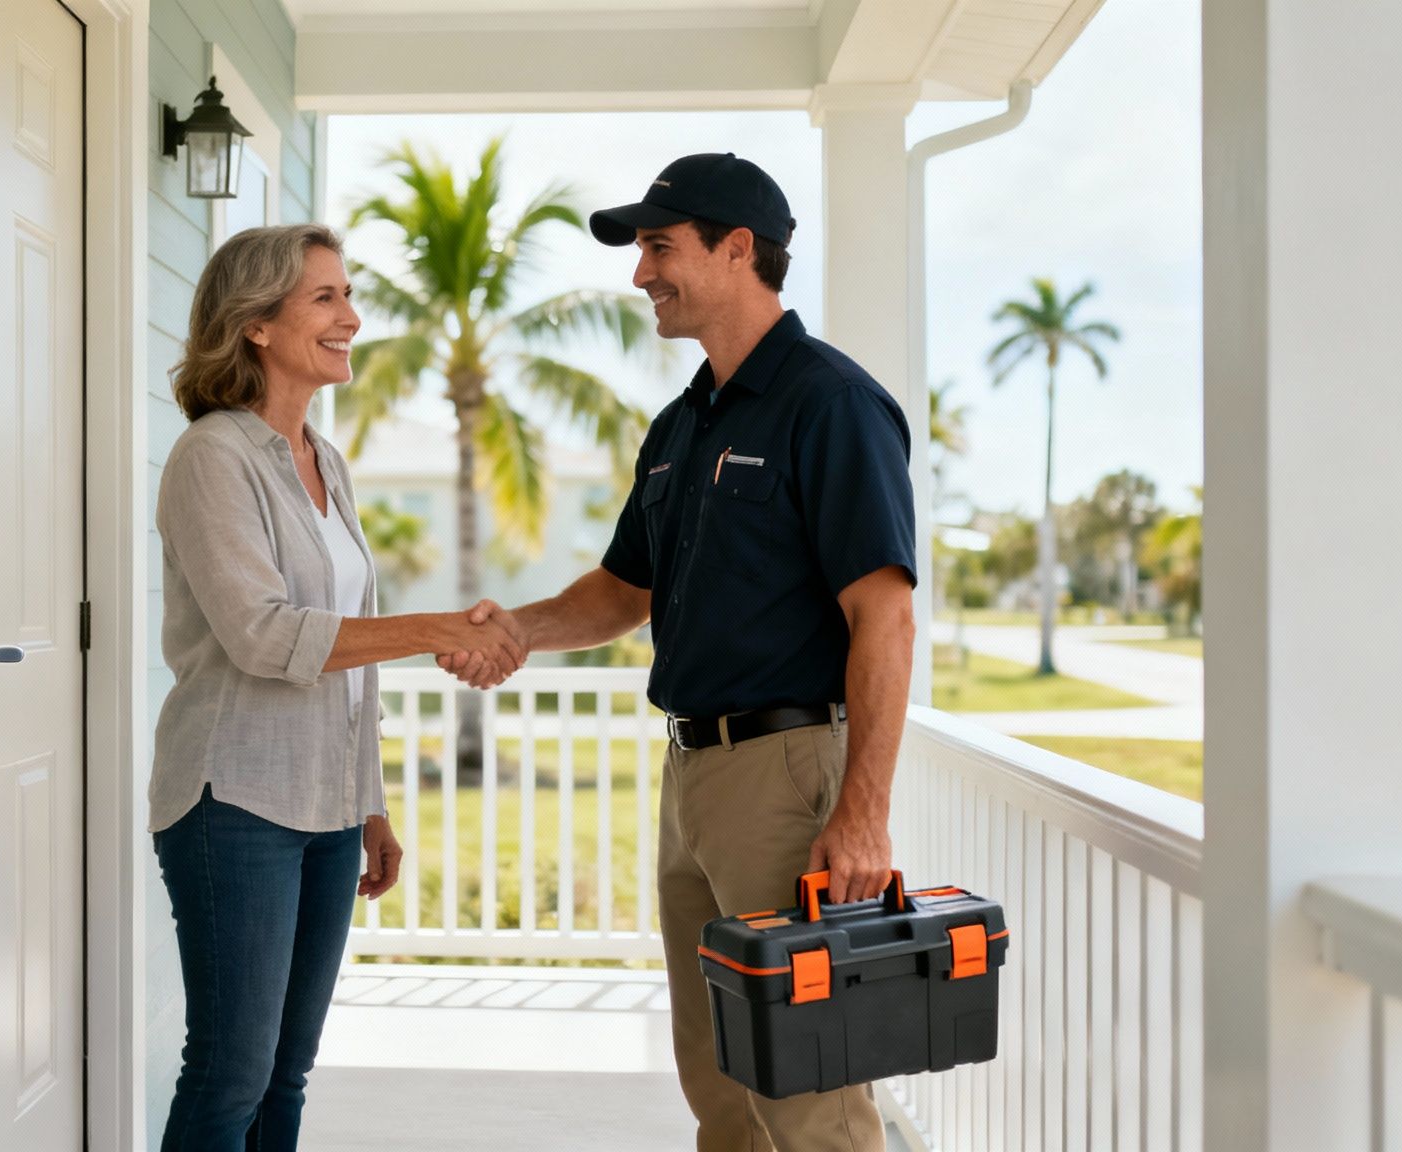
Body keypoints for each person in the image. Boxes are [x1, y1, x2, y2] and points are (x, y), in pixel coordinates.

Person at [444, 154, 918, 1152]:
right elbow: (624, 589)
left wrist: (862, 813)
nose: (638, 273)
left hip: (786, 777)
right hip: (690, 776)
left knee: (809, 1094)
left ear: (737, 248)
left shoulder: (829, 404)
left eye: (660, 246)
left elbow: (884, 615)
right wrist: (517, 630)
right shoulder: (680, 425)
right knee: (719, 1085)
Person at [151, 222, 526, 1151]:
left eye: (346, 296)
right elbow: (265, 635)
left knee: (286, 1073)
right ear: (256, 325)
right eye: (326, 298)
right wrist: (437, 629)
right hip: (232, 798)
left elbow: (348, 671)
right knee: (229, 1073)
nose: (351, 317)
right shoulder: (213, 457)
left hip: (324, 812)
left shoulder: (328, 462)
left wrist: (371, 804)